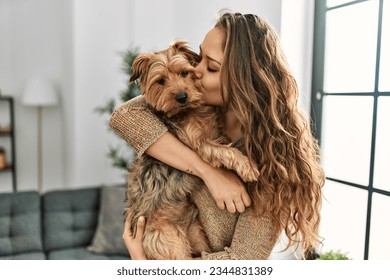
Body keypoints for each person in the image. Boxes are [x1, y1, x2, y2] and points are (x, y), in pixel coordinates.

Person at [109, 11, 325, 260]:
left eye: (211, 67)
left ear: (244, 82)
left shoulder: (273, 159)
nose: (194, 72)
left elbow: (243, 261)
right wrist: (208, 171)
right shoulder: (191, 106)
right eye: (198, 58)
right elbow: (123, 116)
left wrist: (146, 266)